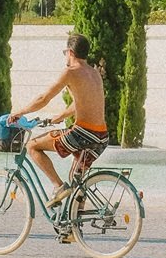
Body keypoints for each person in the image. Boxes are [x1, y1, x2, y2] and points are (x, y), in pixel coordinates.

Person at [8, 33, 108, 210]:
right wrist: (58, 118)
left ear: (70, 52)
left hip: (83, 133)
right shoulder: (94, 73)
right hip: (101, 136)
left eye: (65, 53)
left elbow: (43, 98)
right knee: (76, 180)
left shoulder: (71, 72)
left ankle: (58, 186)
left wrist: (19, 112)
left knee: (32, 146)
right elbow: (79, 104)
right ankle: (75, 222)